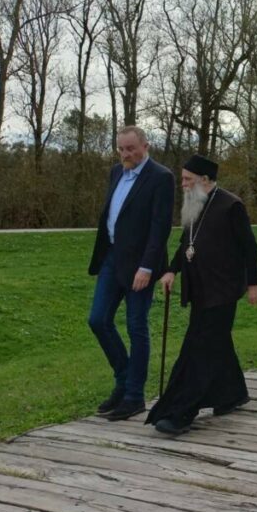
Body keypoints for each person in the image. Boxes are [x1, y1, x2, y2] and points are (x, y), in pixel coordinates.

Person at [146, 155, 257, 435]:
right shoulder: (194, 203)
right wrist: (172, 270)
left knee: (199, 348)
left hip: (223, 290)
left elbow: (250, 248)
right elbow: (187, 243)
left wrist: (253, 283)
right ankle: (231, 394)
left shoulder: (231, 205)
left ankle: (181, 411)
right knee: (215, 343)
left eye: (188, 179)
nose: (183, 184)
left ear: (205, 180)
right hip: (199, 289)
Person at [87, 126, 174, 421]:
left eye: (130, 149)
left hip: (140, 265)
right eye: (121, 149)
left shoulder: (161, 177)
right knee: (98, 320)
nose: (125, 154)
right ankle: (123, 381)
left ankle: (134, 397)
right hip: (112, 259)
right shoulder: (116, 172)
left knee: (136, 327)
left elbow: (160, 227)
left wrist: (147, 267)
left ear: (145, 146)